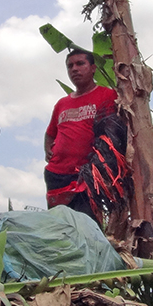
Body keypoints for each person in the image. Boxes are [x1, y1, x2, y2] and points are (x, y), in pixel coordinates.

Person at [44, 49, 117, 218]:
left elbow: (117, 131)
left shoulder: (108, 95)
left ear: (93, 68)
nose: (74, 69)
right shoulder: (62, 103)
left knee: (88, 226)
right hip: (56, 175)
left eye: (80, 64)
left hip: (86, 175)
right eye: (70, 66)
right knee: (59, 227)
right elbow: (50, 133)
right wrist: (48, 149)